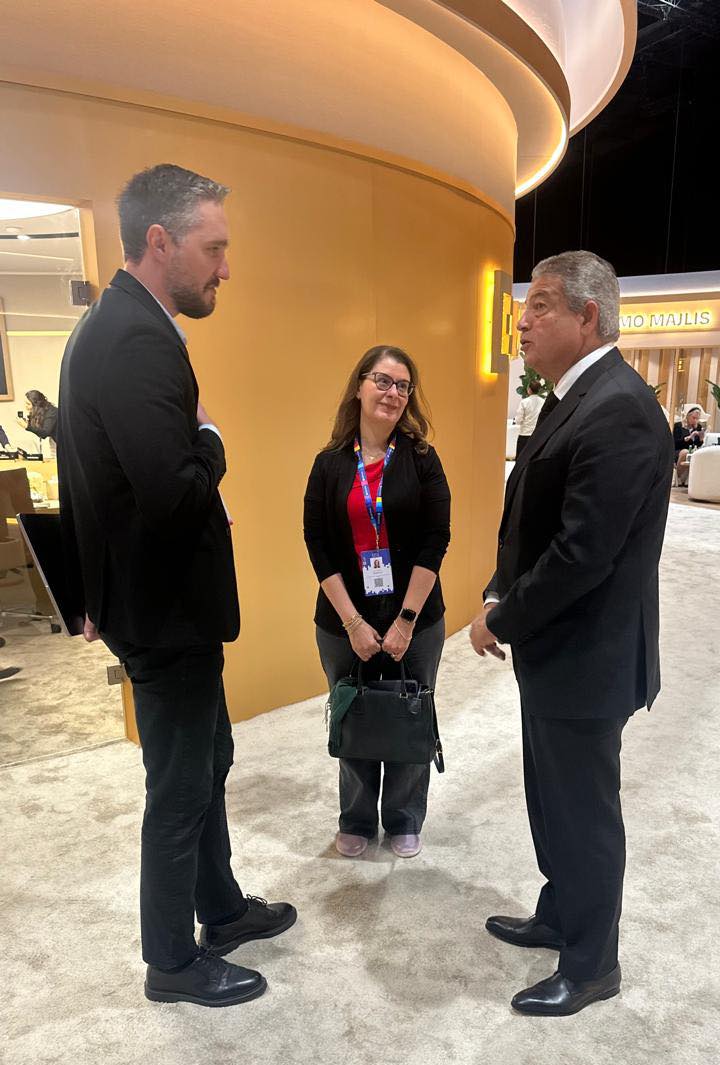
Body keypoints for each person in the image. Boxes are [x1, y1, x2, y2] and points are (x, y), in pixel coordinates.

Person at [57, 164, 296, 1008]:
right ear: (159, 242)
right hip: (164, 612)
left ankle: (220, 910)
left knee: (208, 758)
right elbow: (172, 493)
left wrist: (87, 592)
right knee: (181, 785)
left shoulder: (115, 324)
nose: (226, 268)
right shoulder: (135, 339)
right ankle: (171, 961)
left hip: (155, 604)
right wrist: (214, 438)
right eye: (214, 248)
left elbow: (92, 479)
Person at [470, 250, 673, 1017]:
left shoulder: (618, 408)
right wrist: (502, 587)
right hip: (557, 651)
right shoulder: (572, 397)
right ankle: (561, 914)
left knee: (584, 814)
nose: (522, 322)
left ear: (589, 316)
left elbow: (583, 553)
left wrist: (501, 616)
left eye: (542, 306)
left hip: (590, 656)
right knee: (553, 798)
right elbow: (533, 512)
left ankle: (592, 965)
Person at [304, 345, 451, 859]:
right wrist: (352, 623)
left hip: (416, 617)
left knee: (411, 713)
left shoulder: (423, 460)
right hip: (343, 619)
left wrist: (406, 620)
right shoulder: (328, 464)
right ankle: (357, 818)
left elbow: (436, 540)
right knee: (356, 714)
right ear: (359, 386)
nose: (393, 393)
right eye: (383, 381)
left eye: (403, 386)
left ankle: (405, 816)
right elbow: (317, 544)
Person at [673, 404, 706, 487]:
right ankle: (679, 477)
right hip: (678, 450)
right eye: (693, 418)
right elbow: (675, 442)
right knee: (685, 452)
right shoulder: (678, 426)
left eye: (697, 419)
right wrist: (688, 438)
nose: (695, 420)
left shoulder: (698, 427)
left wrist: (701, 439)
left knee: (698, 453)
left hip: (692, 450)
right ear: (688, 416)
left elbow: (697, 444)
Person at [513, 378, 545, 458]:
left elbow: (518, 420)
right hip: (537, 435)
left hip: (525, 435)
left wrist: (516, 421)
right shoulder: (543, 402)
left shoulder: (524, 402)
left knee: (521, 459)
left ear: (529, 390)